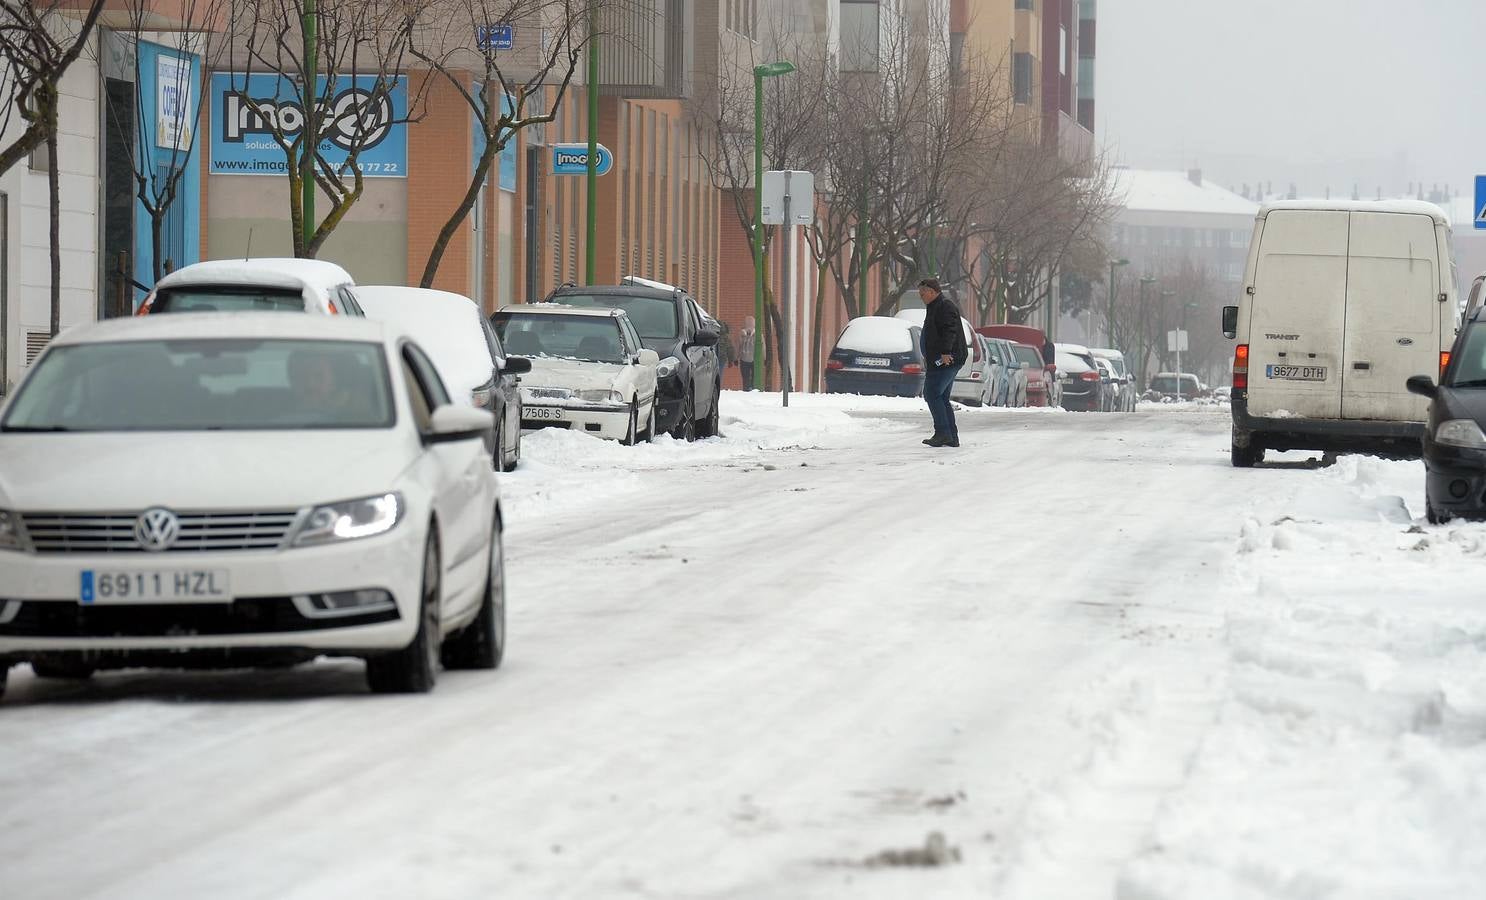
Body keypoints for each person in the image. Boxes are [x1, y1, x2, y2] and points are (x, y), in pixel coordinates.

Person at [918, 278, 968, 447]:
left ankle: (943, 433)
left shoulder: (944, 306)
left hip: (946, 359)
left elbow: (950, 330)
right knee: (942, 396)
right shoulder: (934, 307)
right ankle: (951, 437)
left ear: (932, 291)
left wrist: (945, 352)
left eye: (923, 293)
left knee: (932, 393)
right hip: (940, 359)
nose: (921, 296)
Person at [737, 315, 757, 390]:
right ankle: (746, 389)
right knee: (746, 377)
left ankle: (751, 388)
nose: (749, 327)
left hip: (753, 359)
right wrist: (736, 357)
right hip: (744, 359)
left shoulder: (757, 335)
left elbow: (762, 347)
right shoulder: (742, 335)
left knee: (752, 377)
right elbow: (738, 346)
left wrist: (764, 358)